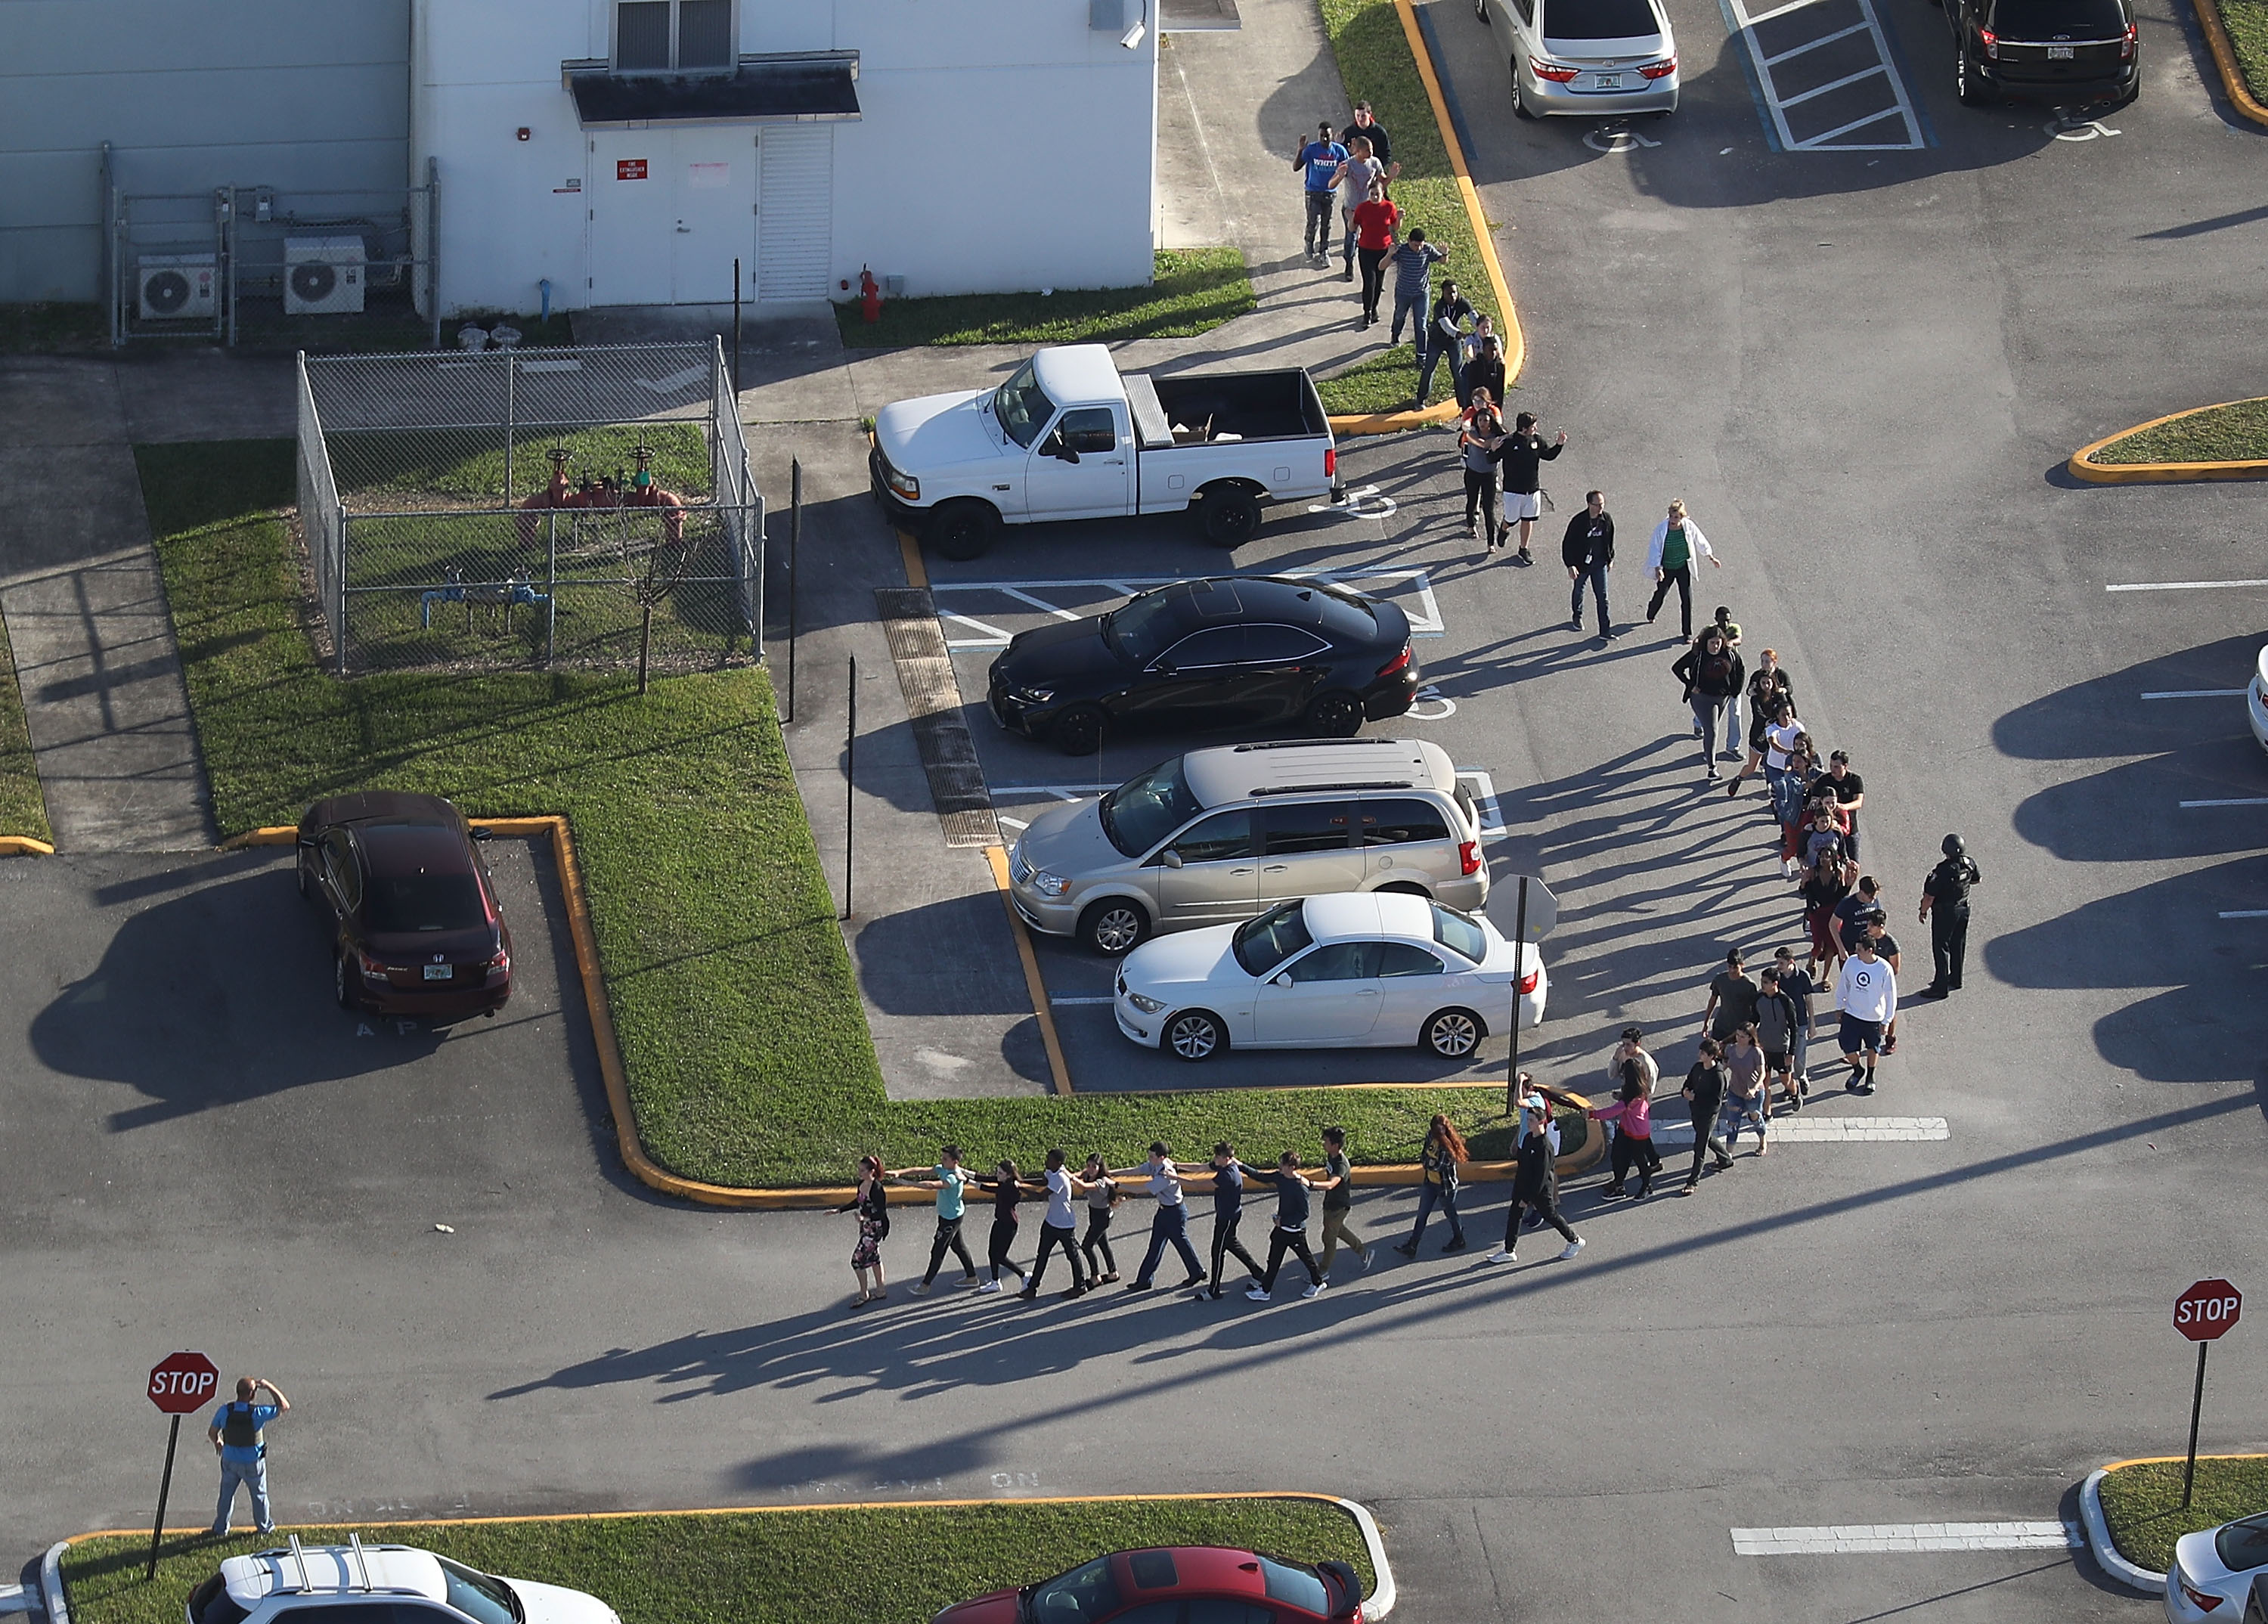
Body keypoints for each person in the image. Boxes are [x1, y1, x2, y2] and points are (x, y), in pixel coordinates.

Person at [1489, 1111, 1585, 1263]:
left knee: (1551, 1215)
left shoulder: (1544, 1147)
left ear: (1542, 1122)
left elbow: (1541, 1176)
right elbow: (1523, 1165)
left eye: (1532, 1120)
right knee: (1514, 1215)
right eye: (1528, 1119)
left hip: (1540, 1191)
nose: (1528, 1123)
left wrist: (1526, 1199)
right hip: (1523, 1186)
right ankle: (1509, 1251)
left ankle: (1575, 1241)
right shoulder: (1528, 1139)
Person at [1111, 1142, 1206, 1291]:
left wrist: (1117, 1185)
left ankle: (1197, 1272)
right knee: (1156, 1246)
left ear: (1161, 1157)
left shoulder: (1165, 1173)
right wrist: (1112, 1173)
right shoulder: (1155, 1165)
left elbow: (1142, 1189)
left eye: (1151, 1157)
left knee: (1180, 1244)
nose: (1149, 1159)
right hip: (1164, 1211)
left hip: (1174, 1213)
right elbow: (1136, 1170)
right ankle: (1145, 1280)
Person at [1241, 1151, 1331, 1300]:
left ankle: (1318, 1282)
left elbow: (1303, 1214)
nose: (1279, 1166)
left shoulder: (1300, 1188)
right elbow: (1260, 1176)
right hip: (1281, 1230)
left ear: (1292, 1168)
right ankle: (1265, 1291)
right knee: (1274, 1260)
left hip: (1295, 1232)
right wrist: (1240, 1166)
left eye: (1282, 1164)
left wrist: (1283, 1221)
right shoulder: (1280, 1177)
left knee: (1306, 1258)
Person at [891, 1145, 978, 1295]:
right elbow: (921, 1170)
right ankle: (972, 1277)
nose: (942, 1161)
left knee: (938, 1251)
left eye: (945, 1159)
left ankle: (925, 1286)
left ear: (955, 1161)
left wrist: (907, 1183)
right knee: (958, 1246)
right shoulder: (943, 1168)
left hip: (951, 1220)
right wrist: (900, 1172)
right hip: (949, 1216)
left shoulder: (954, 1178)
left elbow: (932, 1185)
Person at [1182, 1142, 1263, 1301]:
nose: (1215, 1159)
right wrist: (1177, 1165)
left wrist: (1175, 1178)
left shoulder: (1227, 1175)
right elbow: (1200, 1168)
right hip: (1231, 1214)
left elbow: (1198, 1185)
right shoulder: (1226, 1165)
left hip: (1226, 1218)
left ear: (1226, 1158)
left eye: (1217, 1157)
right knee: (1232, 1244)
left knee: (1217, 1251)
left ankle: (1214, 1289)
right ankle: (1259, 1273)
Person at [209, 1377, 290, 1536]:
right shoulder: (257, 1413)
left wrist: (218, 1442)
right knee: (259, 1496)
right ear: (252, 1394)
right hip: (253, 1462)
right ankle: (264, 1528)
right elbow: (284, 1406)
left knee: (226, 1496)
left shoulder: (225, 1410)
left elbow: (212, 1432)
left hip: (230, 1460)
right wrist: (269, 1386)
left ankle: (220, 1528)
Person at [1670, 627, 1744, 779]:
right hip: (1702, 698)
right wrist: (1690, 685)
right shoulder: (1698, 654)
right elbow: (1677, 668)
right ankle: (1712, 768)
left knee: (1712, 726)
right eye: (1712, 643)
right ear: (1706, 642)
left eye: (1718, 643)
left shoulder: (1729, 654)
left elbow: (1740, 670)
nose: (1715, 646)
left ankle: (1699, 727)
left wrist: (1735, 691)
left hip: (1722, 697)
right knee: (1712, 731)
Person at [1492, 411, 1566, 560]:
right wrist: (1493, 449)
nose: (1536, 429)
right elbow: (1491, 459)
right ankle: (1504, 528)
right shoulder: (1509, 442)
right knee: (1512, 519)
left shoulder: (1537, 441)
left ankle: (1523, 549)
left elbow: (1548, 455)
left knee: (1528, 519)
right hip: (1513, 491)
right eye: (1533, 426)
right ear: (1524, 428)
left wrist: (1559, 445)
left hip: (1532, 490)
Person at [1644, 499, 1721, 641]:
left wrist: (1711, 557)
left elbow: (1700, 540)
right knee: (1661, 593)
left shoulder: (1689, 527)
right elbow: (1655, 550)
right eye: (1672, 516)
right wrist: (1658, 568)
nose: (1673, 520)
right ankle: (1651, 612)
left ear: (1682, 517)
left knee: (1686, 599)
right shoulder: (1661, 530)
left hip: (1682, 568)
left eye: (1677, 517)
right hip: (1667, 568)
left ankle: (1687, 632)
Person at [1919, 834, 1981, 996]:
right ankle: (1955, 978)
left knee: (1941, 948)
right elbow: (1976, 880)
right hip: (1963, 909)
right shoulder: (1969, 863)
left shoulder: (1943, 871)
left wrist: (1923, 912)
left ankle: (1940, 988)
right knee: (1958, 943)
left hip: (1945, 913)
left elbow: (1929, 896)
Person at [1024, 1148, 1091, 1300]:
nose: (1046, 1161)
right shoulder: (1053, 1172)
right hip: (1051, 1223)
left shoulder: (1060, 1178)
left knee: (1072, 1256)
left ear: (1058, 1163)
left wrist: (1022, 1187)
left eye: (1050, 1159)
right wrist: (1023, 1180)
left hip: (1064, 1225)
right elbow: (1044, 1180)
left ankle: (1080, 1286)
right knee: (1042, 1255)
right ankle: (1031, 1289)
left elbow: (1041, 1196)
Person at [1396, 1114, 1469, 1254]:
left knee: (1451, 1215)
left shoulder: (1449, 1148)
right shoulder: (1430, 1136)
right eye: (1436, 1130)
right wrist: (1428, 1162)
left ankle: (1459, 1239)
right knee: (1422, 1215)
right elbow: (1424, 1157)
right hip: (1430, 1183)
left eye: (1442, 1129)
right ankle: (1413, 1245)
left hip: (1445, 1187)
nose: (1439, 1133)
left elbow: (1438, 1166)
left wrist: (1429, 1163)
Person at [1836, 935, 1897, 1093]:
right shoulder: (1852, 962)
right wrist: (1839, 1006)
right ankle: (1858, 1069)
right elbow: (1843, 984)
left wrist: (1886, 1021)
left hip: (1873, 1017)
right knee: (1847, 1046)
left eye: (1860, 950)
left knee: (1872, 1048)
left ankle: (1870, 1077)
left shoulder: (1884, 968)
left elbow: (1891, 997)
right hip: (1852, 1013)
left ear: (1870, 951)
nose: (1856, 953)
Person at [1591, 1062, 1659, 1198]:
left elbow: (1612, 1111)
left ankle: (1646, 1186)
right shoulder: (1639, 1088)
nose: (1622, 1078)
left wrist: (1592, 1115)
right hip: (1627, 1128)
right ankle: (1618, 1184)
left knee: (1639, 1161)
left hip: (1637, 1133)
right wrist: (1621, 1096)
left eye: (1624, 1076)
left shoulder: (1631, 1096)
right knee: (1618, 1157)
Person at [833, 1154, 891, 1306]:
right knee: (874, 1258)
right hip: (866, 1227)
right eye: (859, 1170)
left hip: (875, 1228)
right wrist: (840, 1210)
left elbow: (881, 1212)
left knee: (857, 1261)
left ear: (872, 1171)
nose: (859, 1173)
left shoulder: (877, 1189)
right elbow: (858, 1201)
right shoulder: (862, 1184)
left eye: (862, 1170)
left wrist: (864, 1219)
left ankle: (864, 1294)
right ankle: (880, 1290)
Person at [1331, 136, 1391, 278]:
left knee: (1371, 238)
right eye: (1367, 151)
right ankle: (1349, 264)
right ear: (1358, 151)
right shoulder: (1347, 165)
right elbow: (1331, 184)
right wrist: (1339, 176)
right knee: (1350, 238)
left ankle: (1374, 270)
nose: (1371, 153)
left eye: (1371, 150)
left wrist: (1391, 176)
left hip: (1368, 209)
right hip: (1351, 209)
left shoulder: (1375, 163)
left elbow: (1382, 183)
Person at [1678, 1038, 1734, 1192]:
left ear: (1711, 1056)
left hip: (1708, 1114)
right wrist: (1685, 1092)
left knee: (1700, 1146)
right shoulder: (1698, 1067)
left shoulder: (1718, 1076)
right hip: (1696, 1110)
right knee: (1707, 1138)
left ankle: (1692, 1182)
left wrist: (1696, 1098)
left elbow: (1716, 1102)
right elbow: (1688, 1082)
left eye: (1702, 1053)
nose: (1699, 1055)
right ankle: (1725, 1159)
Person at [969, 1158, 1031, 1294]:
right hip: (999, 1222)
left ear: (1008, 1175)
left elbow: (986, 1188)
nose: (997, 1175)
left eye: (1000, 1173)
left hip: (1009, 1225)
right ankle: (995, 1281)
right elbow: (983, 1178)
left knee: (1000, 1256)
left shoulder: (1008, 1187)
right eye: (997, 1172)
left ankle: (1024, 1275)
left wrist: (967, 1181)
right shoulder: (1004, 1181)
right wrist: (962, 1172)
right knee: (992, 1252)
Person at [1317, 1126, 1369, 1275]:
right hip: (1330, 1204)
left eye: (1326, 1141)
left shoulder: (1341, 1164)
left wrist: (1310, 1184)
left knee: (1329, 1238)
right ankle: (1363, 1252)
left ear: (1335, 1145)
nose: (1323, 1144)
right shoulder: (1331, 1156)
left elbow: (1332, 1183)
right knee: (1339, 1230)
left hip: (1338, 1207)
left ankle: (1322, 1272)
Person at [1563, 491, 1616, 637]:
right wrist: (1570, 565)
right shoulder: (1579, 521)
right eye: (1597, 505)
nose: (1600, 508)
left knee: (1602, 597)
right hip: (1582, 564)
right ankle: (1577, 615)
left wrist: (1610, 558)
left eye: (1602, 504)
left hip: (1600, 564)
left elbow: (1610, 540)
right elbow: (1567, 544)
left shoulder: (1606, 519)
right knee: (1579, 589)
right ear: (1589, 504)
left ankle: (1605, 631)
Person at [1293, 122, 1348, 259]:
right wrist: (1300, 150)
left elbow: (1348, 168)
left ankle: (1324, 250)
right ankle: (1309, 244)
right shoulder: (1312, 150)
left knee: (1326, 223)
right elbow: (1296, 167)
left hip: (1329, 193)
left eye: (1327, 136)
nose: (1324, 139)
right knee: (1313, 221)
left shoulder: (1339, 151)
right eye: (1321, 136)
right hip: (1313, 192)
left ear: (1332, 135)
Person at [1386, 228, 1447, 350]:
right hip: (1403, 293)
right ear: (1409, 241)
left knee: (1421, 324)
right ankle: (1395, 335)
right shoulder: (1401, 250)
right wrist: (1389, 254)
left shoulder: (1427, 250)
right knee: (1399, 316)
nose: (1418, 248)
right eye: (1415, 245)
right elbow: (1381, 266)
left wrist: (1445, 253)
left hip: (1421, 293)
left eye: (1420, 245)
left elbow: (1442, 261)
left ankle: (1421, 355)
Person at [1350, 180, 1400, 328]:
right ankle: (1367, 312)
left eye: (1377, 194)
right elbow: (1353, 226)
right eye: (1372, 194)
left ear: (1382, 193)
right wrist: (1350, 219)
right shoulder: (1362, 208)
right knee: (1369, 282)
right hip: (1366, 249)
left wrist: (1400, 218)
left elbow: (1395, 226)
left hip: (1383, 250)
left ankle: (1374, 309)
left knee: (1379, 282)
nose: (1374, 197)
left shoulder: (1389, 207)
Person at [1458, 394, 1507, 545]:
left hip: (1489, 475)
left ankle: (1491, 542)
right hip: (1472, 473)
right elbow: (1483, 444)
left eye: (1486, 420)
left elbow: (1507, 437)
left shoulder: (1496, 433)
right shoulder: (1471, 434)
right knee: (1472, 501)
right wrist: (1495, 442)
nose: (1483, 423)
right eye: (1480, 420)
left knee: (1489, 508)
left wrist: (1500, 438)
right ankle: (1471, 525)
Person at [1754, 967, 1804, 1112]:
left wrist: (1791, 1052)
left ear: (1775, 983)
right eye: (1762, 981)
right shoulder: (1758, 998)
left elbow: (1794, 1028)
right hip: (1764, 1048)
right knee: (1765, 1082)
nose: (1762, 985)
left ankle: (1794, 1093)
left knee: (1786, 1081)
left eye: (1765, 982)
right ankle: (1767, 1113)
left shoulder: (1785, 1001)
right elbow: (1755, 1019)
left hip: (1781, 1048)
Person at [1419, 279, 1475, 406]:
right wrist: (1462, 335)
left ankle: (1463, 403)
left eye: (1455, 292)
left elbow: (1474, 317)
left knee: (1458, 372)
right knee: (1429, 369)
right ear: (1443, 294)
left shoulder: (1462, 303)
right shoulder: (1439, 306)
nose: (1453, 296)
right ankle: (1421, 399)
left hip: (1453, 342)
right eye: (1449, 293)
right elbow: (1447, 326)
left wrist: (1481, 329)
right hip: (1436, 341)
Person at [1772, 946, 1820, 1084]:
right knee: (1785, 1056)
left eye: (1782, 963)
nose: (1779, 966)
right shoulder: (1777, 977)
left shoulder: (1803, 976)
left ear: (1791, 962)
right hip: (1782, 1023)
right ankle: (1788, 1084)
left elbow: (1808, 1000)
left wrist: (1812, 1023)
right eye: (1778, 962)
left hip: (1800, 1022)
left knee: (1799, 1054)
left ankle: (1801, 1075)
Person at [1802, 850, 1853, 980]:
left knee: (1831, 946)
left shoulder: (1838, 873)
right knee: (1818, 945)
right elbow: (1804, 892)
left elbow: (1841, 895)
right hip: (1817, 913)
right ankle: (1811, 962)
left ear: (1833, 858)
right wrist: (1804, 881)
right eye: (1822, 856)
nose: (1824, 859)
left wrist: (1848, 884)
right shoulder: (1813, 872)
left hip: (1833, 914)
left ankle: (1825, 978)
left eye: (1827, 856)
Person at [1722, 1025, 1770, 1155]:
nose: (1738, 1038)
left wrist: (1754, 1089)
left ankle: (1762, 1142)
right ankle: (1728, 1154)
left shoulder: (1756, 1052)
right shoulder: (1731, 1049)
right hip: (1735, 1092)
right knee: (1732, 1123)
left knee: (1755, 1118)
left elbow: (1762, 1074)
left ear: (1750, 1037)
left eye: (1742, 1036)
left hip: (1753, 1094)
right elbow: (1724, 1066)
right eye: (1737, 1035)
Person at [1811, 750, 1867, 860]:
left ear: (1845, 766)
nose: (1832, 769)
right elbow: (1814, 799)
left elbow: (1858, 802)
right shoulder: (1823, 780)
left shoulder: (1855, 780)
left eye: (1836, 767)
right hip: (1827, 832)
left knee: (1853, 862)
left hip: (1849, 828)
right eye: (1831, 766)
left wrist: (1844, 807)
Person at [1078, 1152, 1122, 1284]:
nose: (1090, 1169)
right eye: (1089, 1166)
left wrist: (1071, 1178)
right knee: (1103, 1243)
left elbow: (1084, 1186)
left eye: (1094, 1167)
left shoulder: (1101, 1182)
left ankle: (1095, 1276)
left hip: (1102, 1216)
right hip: (1093, 1213)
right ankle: (1113, 1273)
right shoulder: (1088, 1174)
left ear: (1100, 1168)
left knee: (1086, 1246)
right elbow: (1078, 1175)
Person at [1461, 336, 1506, 425]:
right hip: (1476, 404)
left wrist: (1497, 411)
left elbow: (1500, 390)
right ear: (1484, 350)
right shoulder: (1475, 364)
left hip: (1490, 405)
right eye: (1490, 349)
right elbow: (1469, 387)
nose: (1493, 353)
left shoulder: (1499, 366)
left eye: (1495, 350)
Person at [1346, 100, 1393, 169]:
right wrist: (1341, 144)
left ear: (1370, 114)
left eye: (1363, 116)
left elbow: (1387, 155)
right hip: (1355, 172)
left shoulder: (1379, 132)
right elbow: (1341, 155)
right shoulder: (1349, 132)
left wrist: (1377, 167)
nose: (1360, 119)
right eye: (1357, 115)